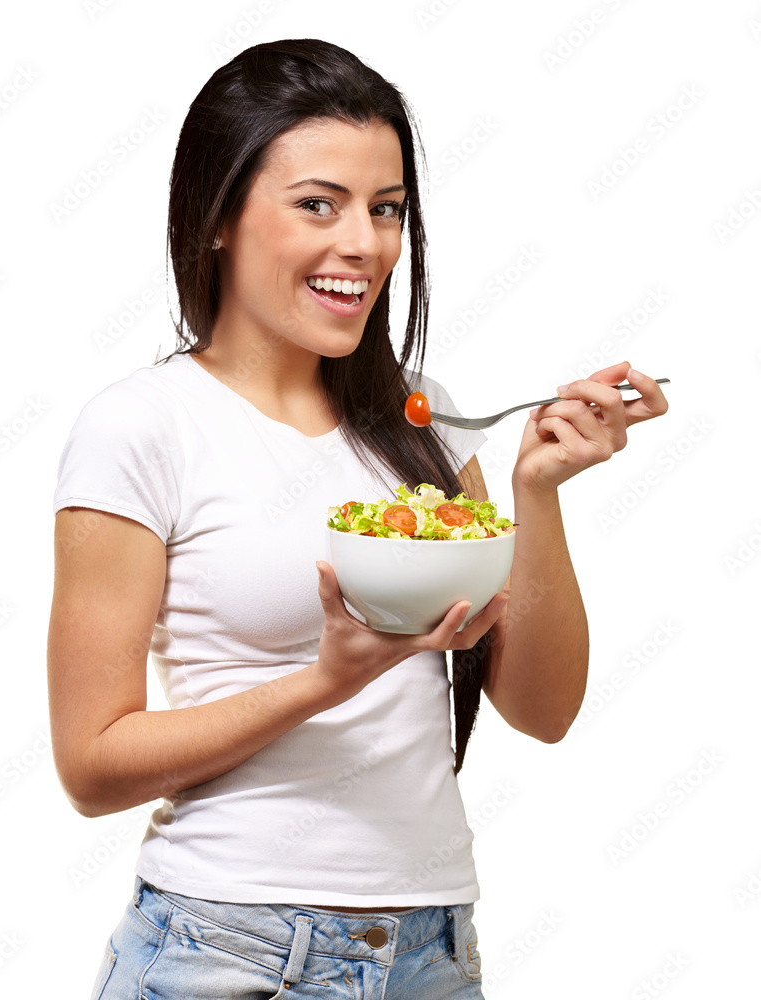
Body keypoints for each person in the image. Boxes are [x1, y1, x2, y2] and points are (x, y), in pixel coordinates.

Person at [46, 38, 668, 1000]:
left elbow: (543, 712)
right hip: (228, 950)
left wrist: (534, 492)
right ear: (217, 218)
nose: (365, 245)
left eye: (386, 210)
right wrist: (323, 682)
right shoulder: (140, 428)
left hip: (430, 948)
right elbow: (91, 767)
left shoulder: (419, 417)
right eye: (317, 205)